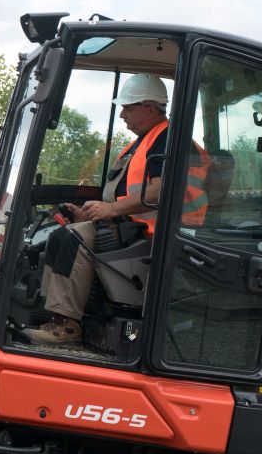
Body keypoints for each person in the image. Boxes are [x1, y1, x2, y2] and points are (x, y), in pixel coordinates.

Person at [25, 73, 207, 345]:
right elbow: (126, 194)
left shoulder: (169, 139)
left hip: (162, 235)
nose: (122, 115)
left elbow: (161, 190)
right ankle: (52, 314)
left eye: (128, 107)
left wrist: (109, 211)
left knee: (76, 238)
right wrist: (92, 213)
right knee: (59, 235)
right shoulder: (142, 143)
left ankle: (68, 324)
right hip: (130, 224)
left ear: (149, 106)